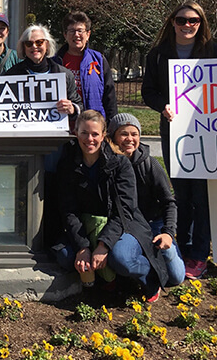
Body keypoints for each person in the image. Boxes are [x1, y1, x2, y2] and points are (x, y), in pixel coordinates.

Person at [141, 1, 217, 279]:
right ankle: (182, 247)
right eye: (181, 20)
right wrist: (162, 105)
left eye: (193, 20)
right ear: (172, 22)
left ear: (201, 23)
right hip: (175, 133)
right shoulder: (157, 55)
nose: (187, 25)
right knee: (181, 193)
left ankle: (199, 253)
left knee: (202, 196)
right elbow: (148, 92)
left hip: (209, 132)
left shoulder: (215, 52)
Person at [56, 110, 168, 301]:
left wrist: (103, 245)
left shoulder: (120, 163)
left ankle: (149, 276)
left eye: (95, 134)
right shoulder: (68, 163)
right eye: (84, 133)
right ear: (76, 133)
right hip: (85, 225)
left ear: (103, 135)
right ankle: (108, 281)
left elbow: (125, 210)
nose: (89, 139)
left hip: (123, 224)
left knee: (121, 259)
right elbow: (68, 210)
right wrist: (83, 247)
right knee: (66, 258)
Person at [108, 113, 185, 286]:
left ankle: (155, 253)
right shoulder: (108, 165)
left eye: (134, 134)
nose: (129, 139)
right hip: (128, 226)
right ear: (113, 136)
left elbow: (169, 203)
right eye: (123, 134)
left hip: (154, 223)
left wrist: (168, 233)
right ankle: (148, 271)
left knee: (176, 277)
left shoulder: (149, 164)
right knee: (120, 260)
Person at [5, 24, 83, 125]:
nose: (34, 46)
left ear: (47, 45)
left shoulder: (64, 74)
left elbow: (79, 106)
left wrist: (72, 109)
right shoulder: (12, 75)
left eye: (39, 42)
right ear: (23, 47)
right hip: (23, 136)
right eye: (29, 43)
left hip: (54, 136)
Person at [54, 11, 117, 120]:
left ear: (88, 34)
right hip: (64, 127)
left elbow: (109, 97)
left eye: (80, 31)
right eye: (72, 31)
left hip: (93, 128)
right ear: (65, 35)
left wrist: (113, 127)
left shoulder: (98, 60)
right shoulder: (55, 63)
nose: (76, 35)